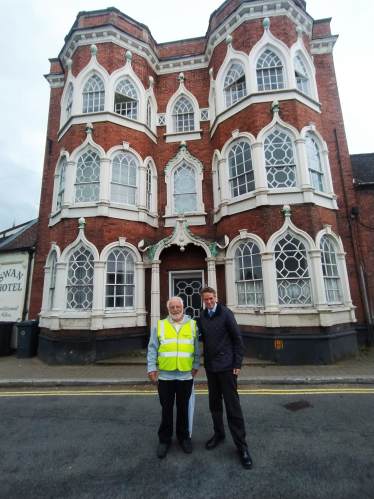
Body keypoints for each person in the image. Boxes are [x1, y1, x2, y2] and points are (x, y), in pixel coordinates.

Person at [198, 286, 253, 469]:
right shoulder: (203, 316)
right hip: (211, 367)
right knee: (214, 404)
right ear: (203, 300)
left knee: (232, 407)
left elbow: (237, 339)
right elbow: (201, 338)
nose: (209, 302)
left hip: (228, 367)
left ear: (216, 297)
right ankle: (219, 434)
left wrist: (238, 363)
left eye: (211, 298)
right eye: (206, 299)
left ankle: (242, 446)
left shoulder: (226, 313)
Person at [147, 296, 201, 459]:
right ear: (168, 309)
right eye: (172, 307)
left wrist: (195, 366)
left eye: (178, 307)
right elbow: (152, 348)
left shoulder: (193, 325)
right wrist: (151, 367)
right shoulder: (160, 325)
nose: (175, 310)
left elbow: (196, 349)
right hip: (166, 376)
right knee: (166, 410)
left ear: (183, 307)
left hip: (185, 375)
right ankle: (165, 440)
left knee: (184, 409)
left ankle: (184, 438)